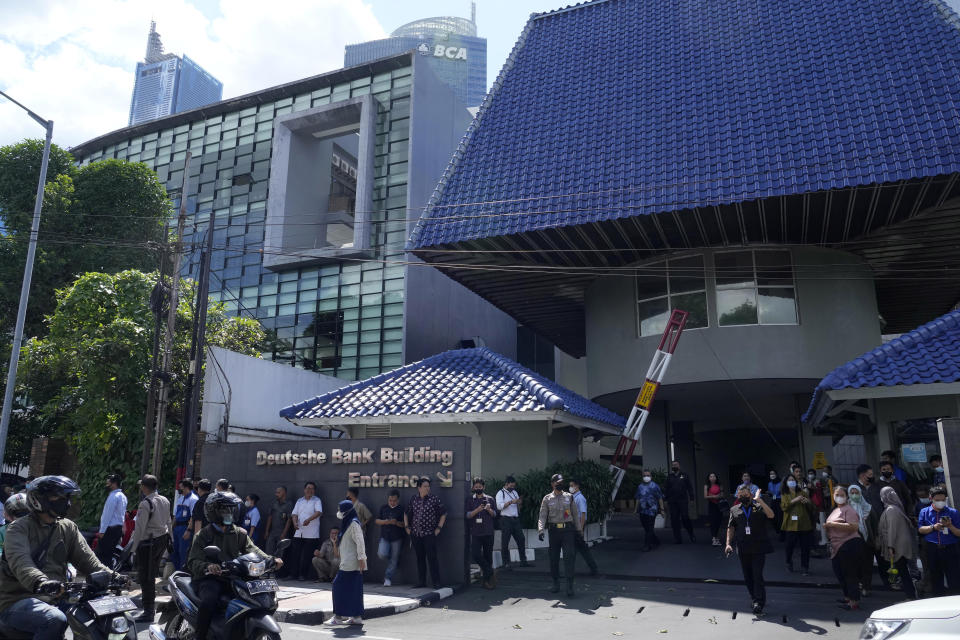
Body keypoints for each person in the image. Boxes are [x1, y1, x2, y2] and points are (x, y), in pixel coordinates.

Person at [0, 476, 113, 640]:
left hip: (55, 598)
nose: (66, 502)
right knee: (54, 619)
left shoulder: (68, 527)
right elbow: (22, 563)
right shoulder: (18, 528)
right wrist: (41, 582)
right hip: (18, 600)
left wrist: (113, 575)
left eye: (67, 497)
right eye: (59, 497)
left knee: (99, 609)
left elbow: (88, 561)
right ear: (39, 499)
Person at [187, 491, 281, 640]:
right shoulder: (204, 534)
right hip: (210, 578)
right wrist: (208, 566)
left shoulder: (239, 533)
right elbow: (193, 561)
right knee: (209, 600)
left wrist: (271, 559)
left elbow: (253, 550)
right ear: (214, 512)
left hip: (234, 577)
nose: (230, 513)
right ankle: (200, 636)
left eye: (232, 509)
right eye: (225, 509)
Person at [123, 474, 171, 623]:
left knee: (146, 578)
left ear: (144, 487)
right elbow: (169, 521)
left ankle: (148, 611)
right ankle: (149, 609)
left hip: (148, 543)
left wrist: (132, 550)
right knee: (151, 576)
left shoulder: (146, 504)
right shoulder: (165, 500)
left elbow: (139, 528)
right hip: (161, 540)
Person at [725, 486, 775, 616]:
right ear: (737, 496)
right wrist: (728, 544)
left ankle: (759, 602)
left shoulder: (759, 506)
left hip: (759, 547)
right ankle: (754, 598)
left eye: (745, 494)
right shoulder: (734, 510)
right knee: (748, 577)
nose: (743, 496)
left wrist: (760, 500)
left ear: (750, 495)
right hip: (743, 548)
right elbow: (730, 528)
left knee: (757, 575)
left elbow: (771, 515)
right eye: (740, 495)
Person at [537, 473, 581, 596]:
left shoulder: (569, 497)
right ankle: (556, 583)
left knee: (569, 558)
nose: (560, 484)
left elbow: (575, 515)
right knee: (554, 558)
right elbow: (542, 515)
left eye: (561, 482)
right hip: (554, 532)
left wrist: (579, 530)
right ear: (552, 484)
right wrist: (540, 530)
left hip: (568, 531)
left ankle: (569, 585)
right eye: (558, 482)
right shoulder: (547, 498)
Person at [325, 500, 367, 626]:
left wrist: (361, 561)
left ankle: (338, 617)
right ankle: (356, 617)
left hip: (351, 563)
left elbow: (360, 542)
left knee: (337, 587)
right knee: (354, 590)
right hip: (350, 562)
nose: (339, 513)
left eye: (341, 510)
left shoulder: (353, 524)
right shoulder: (348, 523)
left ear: (347, 511)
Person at [825, 486, 863, 611]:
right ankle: (848, 597)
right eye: (837, 494)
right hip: (836, 546)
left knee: (849, 574)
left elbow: (853, 527)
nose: (839, 497)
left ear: (846, 497)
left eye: (842, 495)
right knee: (840, 573)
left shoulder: (849, 510)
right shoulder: (836, 509)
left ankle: (854, 601)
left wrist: (833, 524)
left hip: (848, 544)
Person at [917, 485, 960, 596]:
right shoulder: (924, 512)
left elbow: (958, 533)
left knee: (954, 579)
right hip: (932, 549)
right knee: (935, 579)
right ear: (931, 498)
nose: (940, 502)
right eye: (937, 500)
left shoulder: (953, 512)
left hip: (950, 549)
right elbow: (921, 529)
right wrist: (933, 527)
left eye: (943, 500)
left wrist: (950, 526)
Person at [404, 477, 447, 589]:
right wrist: (407, 527)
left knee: (432, 558)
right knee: (420, 558)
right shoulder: (414, 499)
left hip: (429, 534)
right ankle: (421, 581)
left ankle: (436, 582)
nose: (428, 488)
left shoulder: (434, 499)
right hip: (416, 535)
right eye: (425, 486)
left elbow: (444, 513)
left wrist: (439, 528)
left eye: (428, 486)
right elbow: (406, 513)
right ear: (419, 488)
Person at [878, 486, 918, 600]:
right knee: (903, 570)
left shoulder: (891, 510)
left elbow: (892, 529)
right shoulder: (897, 508)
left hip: (897, 546)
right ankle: (911, 593)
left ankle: (910, 595)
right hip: (900, 544)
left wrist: (890, 546)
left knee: (903, 571)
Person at [465, 478, 498, 589]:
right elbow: (468, 515)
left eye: (480, 487)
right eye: (476, 487)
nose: (478, 488)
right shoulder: (470, 499)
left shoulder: (490, 499)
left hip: (488, 532)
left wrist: (488, 509)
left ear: (483, 487)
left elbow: (495, 514)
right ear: (473, 487)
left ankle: (487, 581)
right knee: (475, 554)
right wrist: (478, 510)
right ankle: (489, 571)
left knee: (488, 557)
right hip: (475, 532)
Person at [780, 473, 813, 576]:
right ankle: (789, 561)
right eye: (789, 480)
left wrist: (807, 502)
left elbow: (812, 507)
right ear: (786, 483)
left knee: (805, 547)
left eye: (793, 480)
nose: (792, 481)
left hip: (804, 524)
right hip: (791, 524)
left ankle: (805, 567)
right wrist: (794, 500)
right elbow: (784, 507)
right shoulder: (784, 494)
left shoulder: (802, 492)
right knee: (789, 546)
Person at [290, 481, 323, 581]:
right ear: (304, 490)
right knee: (295, 554)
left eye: (312, 489)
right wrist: (295, 523)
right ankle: (293, 574)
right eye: (308, 488)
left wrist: (309, 520)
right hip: (299, 531)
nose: (310, 490)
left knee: (307, 556)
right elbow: (294, 514)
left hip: (311, 533)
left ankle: (303, 575)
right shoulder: (299, 501)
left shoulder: (317, 500)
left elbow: (318, 512)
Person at [496, 476, 531, 568]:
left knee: (521, 539)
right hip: (505, 520)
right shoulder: (501, 493)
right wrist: (511, 502)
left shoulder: (515, 492)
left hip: (515, 519)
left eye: (514, 486)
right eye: (511, 486)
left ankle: (523, 561)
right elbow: (499, 507)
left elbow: (518, 507)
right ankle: (506, 563)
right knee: (505, 542)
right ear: (506, 484)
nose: (513, 488)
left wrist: (519, 503)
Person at [848, 484, 876, 596]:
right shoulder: (846, 508)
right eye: (852, 493)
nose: (854, 495)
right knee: (855, 565)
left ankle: (866, 587)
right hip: (852, 542)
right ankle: (858, 585)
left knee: (867, 566)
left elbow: (875, 524)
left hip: (867, 542)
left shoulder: (868, 508)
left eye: (857, 493)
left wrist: (876, 539)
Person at [568, 478, 599, 576]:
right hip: (573, 526)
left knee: (577, 548)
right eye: (570, 485)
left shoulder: (580, 498)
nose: (570, 487)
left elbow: (583, 514)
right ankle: (593, 568)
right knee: (578, 548)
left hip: (577, 527)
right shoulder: (572, 497)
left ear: (577, 486)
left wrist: (580, 528)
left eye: (572, 485)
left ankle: (592, 568)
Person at [96, 473, 127, 567]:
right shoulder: (123, 496)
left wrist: (102, 531)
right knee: (109, 555)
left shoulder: (113, 497)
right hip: (117, 529)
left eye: (109, 483)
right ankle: (109, 577)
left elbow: (107, 515)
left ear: (114, 483)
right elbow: (122, 514)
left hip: (109, 530)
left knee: (102, 556)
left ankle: (103, 578)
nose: (107, 485)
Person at [375, 489, 405, 586]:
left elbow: (405, 524)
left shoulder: (401, 509)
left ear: (398, 500)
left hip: (397, 537)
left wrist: (396, 522)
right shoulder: (383, 508)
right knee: (381, 554)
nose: (392, 502)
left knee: (394, 559)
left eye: (394, 500)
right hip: (385, 536)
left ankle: (388, 578)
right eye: (390, 500)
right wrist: (386, 522)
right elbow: (377, 521)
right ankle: (395, 560)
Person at [664, 460, 696, 544]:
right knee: (674, 520)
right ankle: (677, 538)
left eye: (676, 465)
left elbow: (690, 487)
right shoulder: (669, 476)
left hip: (683, 501)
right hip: (672, 502)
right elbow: (666, 489)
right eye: (673, 465)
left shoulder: (684, 475)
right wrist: (665, 500)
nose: (674, 466)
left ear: (679, 466)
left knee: (685, 517)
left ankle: (691, 534)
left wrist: (692, 499)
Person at [171, 478, 197, 571]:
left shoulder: (193, 499)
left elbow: (193, 517)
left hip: (185, 528)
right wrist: (171, 529)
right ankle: (177, 571)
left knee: (183, 552)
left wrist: (188, 530)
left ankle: (182, 573)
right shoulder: (180, 499)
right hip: (176, 528)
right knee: (173, 551)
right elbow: (175, 515)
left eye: (181, 488)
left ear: (186, 488)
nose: (179, 489)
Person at [635, 470, 664, 551]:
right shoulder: (640, 486)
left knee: (650, 527)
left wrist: (662, 509)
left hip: (652, 510)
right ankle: (655, 540)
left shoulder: (655, 486)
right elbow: (637, 498)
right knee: (646, 528)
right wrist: (635, 509)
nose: (646, 477)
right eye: (644, 475)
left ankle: (647, 545)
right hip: (642, 510)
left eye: (647, 475)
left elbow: (660, 498)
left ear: (651, 477)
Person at [264, 485, 293, 556]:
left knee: (280, 554)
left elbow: (289, 520)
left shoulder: (289, 504)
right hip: (273, 531)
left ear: (284, 493)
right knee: (268, 552)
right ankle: (270, 567)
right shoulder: (274, 503)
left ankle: (278, 567)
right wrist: (267, 531)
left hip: (282, 532)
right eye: (276, 492)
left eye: (278, 492)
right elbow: (270, 517)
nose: (276, 494)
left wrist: (284, 533)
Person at [704, 472, 725, 546]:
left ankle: (716, 537)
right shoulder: (707, 486)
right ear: (709, 478)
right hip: (712, 505)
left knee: (718, 521)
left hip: (719, 505)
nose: (712, 478)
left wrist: (715, 496)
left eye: (714, 476)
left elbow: (722, 495)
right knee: (713, 521)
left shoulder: (720, 485)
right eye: (711, 476)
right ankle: (714, 538)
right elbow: (705, 496)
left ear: (716, 478)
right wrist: (715, 496)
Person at [767, 470, 783, 535]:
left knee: (780, 517)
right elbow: (771, 493)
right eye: (771, 474)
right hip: (773, 501)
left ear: (776, 474)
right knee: (773, 516)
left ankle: (781, 531)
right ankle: (777, 530)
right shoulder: (769, 483)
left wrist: (772, 493)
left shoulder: (781, 482)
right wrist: (770, 493)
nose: (772, 475)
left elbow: (779, 492)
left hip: (780, 500)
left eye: (773, 473)